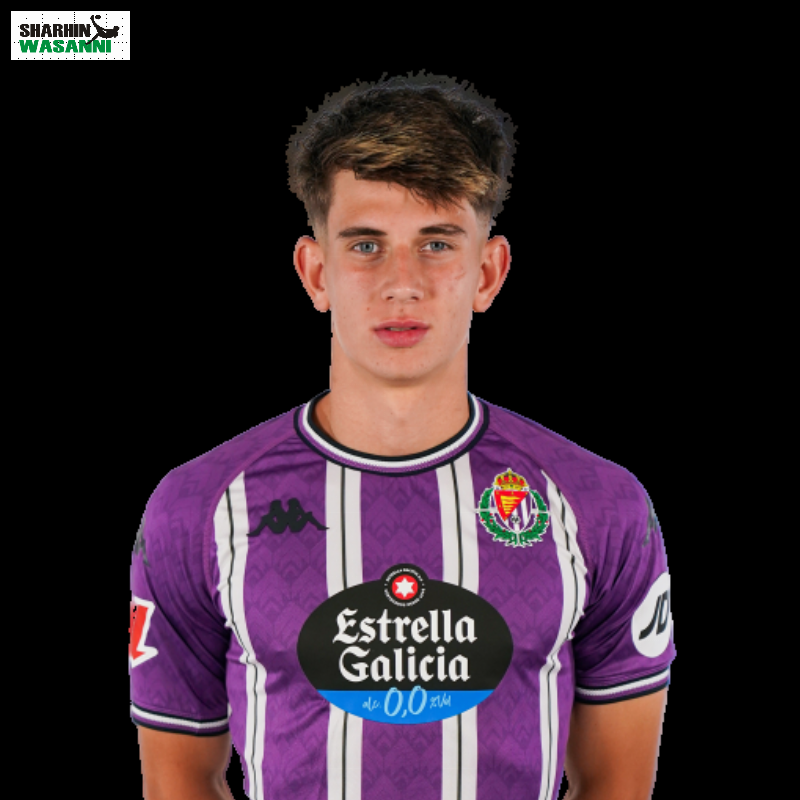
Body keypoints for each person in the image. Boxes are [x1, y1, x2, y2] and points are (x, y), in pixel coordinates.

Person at [130, 73, 675, 800]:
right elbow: (178, 781)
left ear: (488, 272)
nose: (402, 284)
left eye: (437, 243)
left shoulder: (600, 504)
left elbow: (617, 785)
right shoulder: (196, 508)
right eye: (366, 245)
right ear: (315, 272)